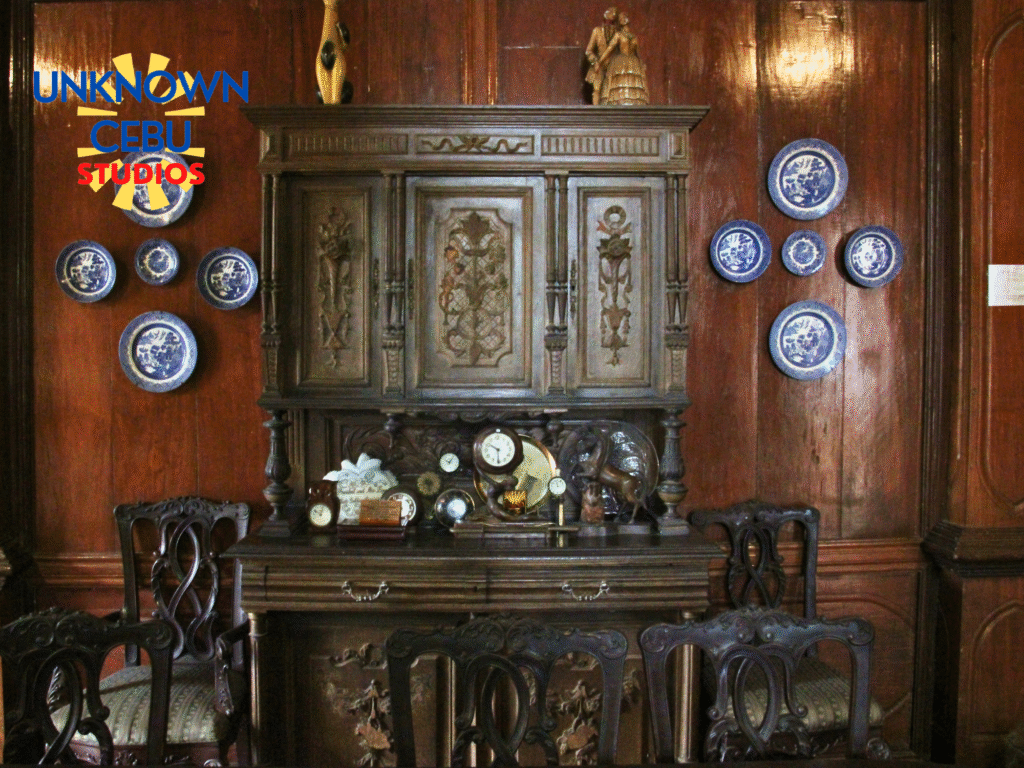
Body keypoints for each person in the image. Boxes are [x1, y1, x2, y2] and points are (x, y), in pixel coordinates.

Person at [596, 12, 649, 105]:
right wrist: (599, 62)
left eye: (624, 17)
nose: (623, 19)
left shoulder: (634, 37)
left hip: (633, 63)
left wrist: (642, 64)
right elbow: (609, 49)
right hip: (621, 63)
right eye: (621, 18)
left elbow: (638, 53)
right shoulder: (619, 35)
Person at [584, 7, 619, 105]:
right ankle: (596, 110)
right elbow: (588, 51)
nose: (609, 24)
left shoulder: (618, 34)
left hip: (613, 66)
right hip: (599, 66)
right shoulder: (597, 31)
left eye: (611, 22)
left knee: (612, 92)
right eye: (607, 21)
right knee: (597, 89)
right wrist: (595, 63)